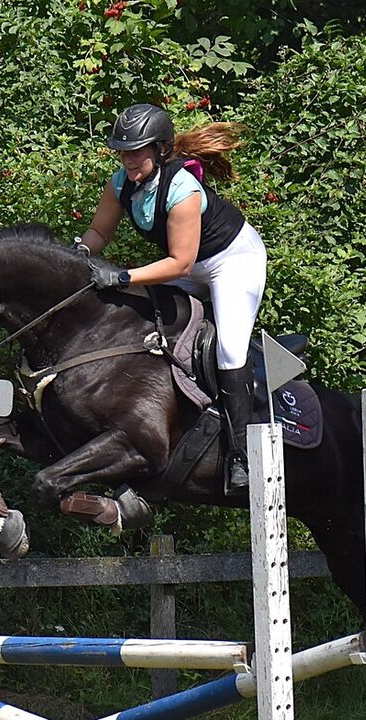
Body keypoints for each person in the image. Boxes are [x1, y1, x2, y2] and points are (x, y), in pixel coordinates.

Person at [76, 103, 267, 492]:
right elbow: (98, 233)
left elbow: (180, 263)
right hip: (190, 266)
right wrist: (77, 256)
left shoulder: (183, 189)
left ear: (161, 150)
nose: (127, 160)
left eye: (136, 151)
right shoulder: (121, 183)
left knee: (231, 349)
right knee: (134, 315)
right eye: (123, 152)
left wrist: (124, 274)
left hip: (231, 262)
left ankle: (240, 454)